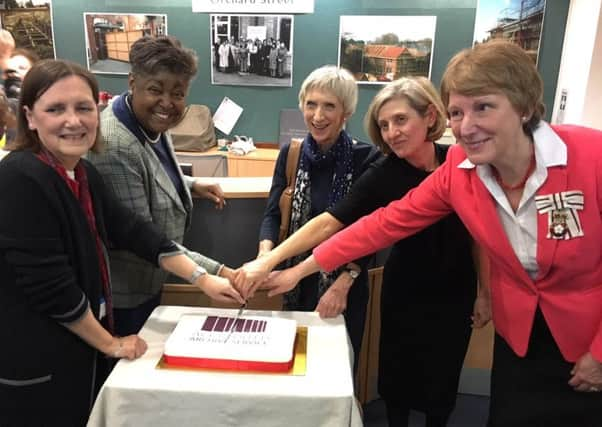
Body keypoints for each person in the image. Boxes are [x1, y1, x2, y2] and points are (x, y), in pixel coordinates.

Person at [259, 41, 602, 426]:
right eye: (457, 112)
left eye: (483, 107)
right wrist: (295, 270)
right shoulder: (460, 167)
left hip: (589, 340)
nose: (466, 127)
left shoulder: (591, 155)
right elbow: (381, 224)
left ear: (522, 106)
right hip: (518, 341)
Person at [0, 59, 243, 426]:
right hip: (38, 360)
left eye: (83, 108)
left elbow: (135, 231)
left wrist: (202, 278)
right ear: (30, 117)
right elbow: (52, 289)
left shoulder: (81, 172)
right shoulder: (21, 178)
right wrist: (112, 345)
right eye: (55, 109)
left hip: (77, 351)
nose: (73, 120)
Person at [236, 77, 490, 426]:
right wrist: (275, 261)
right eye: (384, 125)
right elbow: (337, 224)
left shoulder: (460, 163)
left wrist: (484, 292)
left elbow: (480, 234)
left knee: (443, 383)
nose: (392, 133)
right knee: (396, 381)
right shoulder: (384, 172)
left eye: (400, 120)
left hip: (454, 291)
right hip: (406, 288)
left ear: (430, 116)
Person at [88, 35, 234, 337]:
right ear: (132, 82)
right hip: (128, 292)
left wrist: (191, 184)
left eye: (178, 94)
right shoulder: (114, 144)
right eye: (155, 90)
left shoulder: (152, 122)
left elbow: (152, 170)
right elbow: (142, 235)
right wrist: (216, 272)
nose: (167, 103)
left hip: (152, 281)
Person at [255, 65, 381, 366]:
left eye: (329, 106)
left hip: (341, 284)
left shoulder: (368, 158)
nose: (318, 115)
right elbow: (273, 213)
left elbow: (370, 232)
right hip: (294, 283)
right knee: (293, 364)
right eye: (311, 104)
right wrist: (264, 256)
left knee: (335, 368)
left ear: (346, 112)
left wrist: (344, 283)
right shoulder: (291, 154)